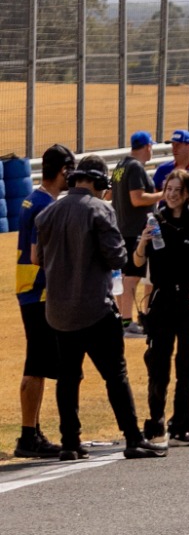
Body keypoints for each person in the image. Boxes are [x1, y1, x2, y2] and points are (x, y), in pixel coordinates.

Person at [32, 156, 160, 458]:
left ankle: (70, 443)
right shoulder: (101, 210)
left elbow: (37, 257)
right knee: (115, 374)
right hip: (94, 308)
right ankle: (132, 438)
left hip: (59, 311)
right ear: (99, 182)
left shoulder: (48, 213)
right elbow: (118, 258)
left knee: (68, 377)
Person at [136, 162, 189, 446]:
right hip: (161, 300)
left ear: (186, 194)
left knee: (188, 364)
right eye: (168, 189)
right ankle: (156, 424)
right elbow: (136, 263)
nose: (171, 194)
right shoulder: (154, 220)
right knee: (158, 364)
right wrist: (141, 244)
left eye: (176, 190)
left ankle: (181, 426)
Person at [15, 145, 71, 459]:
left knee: (38, 364)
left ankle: (33, 431)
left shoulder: (34, 200)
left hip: (32, 290)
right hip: (38, 292)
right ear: (63, 170)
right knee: (35, 366)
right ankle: (27, 436)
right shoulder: (43, 206)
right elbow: (39, 255)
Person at [111, 133, 155, 336]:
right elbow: (137, 199)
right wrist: (166, 194)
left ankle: (124, 320)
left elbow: (109, 195)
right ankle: (127, 322)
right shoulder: (135, 167)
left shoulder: (121, 166)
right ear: (147, 146)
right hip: (134, 230)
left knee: (128, 276)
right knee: (132, 276)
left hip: (123, 228)